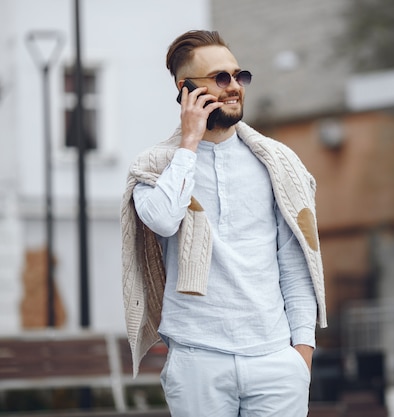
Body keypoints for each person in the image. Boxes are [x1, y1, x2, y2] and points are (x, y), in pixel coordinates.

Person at [120, 30, 327, 417]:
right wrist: (189, 145)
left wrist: (300, 356)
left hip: (275, 361)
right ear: (186, 92)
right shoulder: (154, 168)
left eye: (239, 76)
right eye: (220, 78)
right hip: (199, 362)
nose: (234, 87)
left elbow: (296, 266)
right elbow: (164, 220)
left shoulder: (278, 165)